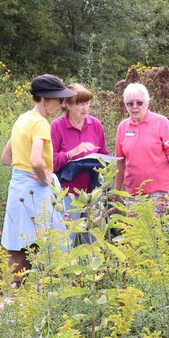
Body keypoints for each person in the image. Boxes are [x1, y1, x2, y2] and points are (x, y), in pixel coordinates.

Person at [1, 74, 76, 283]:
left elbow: (6, 158)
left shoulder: (22, 119)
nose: (62, 105)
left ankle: (12, 300)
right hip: (35, 190)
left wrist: (27, 169)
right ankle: (48, 297)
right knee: (52, 245)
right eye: (59, 100)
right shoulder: (41, 123)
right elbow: (36, 160)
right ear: (45, 99)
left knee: (19, 245)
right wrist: (44, 179)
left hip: (17, 188)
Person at [51, 83, 109, 244]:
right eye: (80, 103)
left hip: (93, 191)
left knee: (91, 238)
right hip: (68, 193)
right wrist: (71, 153)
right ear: (67, 105)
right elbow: (49, 163)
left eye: (87, 103)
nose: (85, 108)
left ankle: (91, 270)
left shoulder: (95, 124)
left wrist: (105, 166)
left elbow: (104, 154)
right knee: (66, 238)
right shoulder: (57, 126)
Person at [114, 82, 169, 199]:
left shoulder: (161, 122)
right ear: (125, 106)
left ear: (148, 102)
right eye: (130, 103)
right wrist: (117, 192)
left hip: (162, 192)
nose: (134, 106)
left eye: (139, 103)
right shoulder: (123, 127)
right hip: (133, 193)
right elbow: (120, 162)